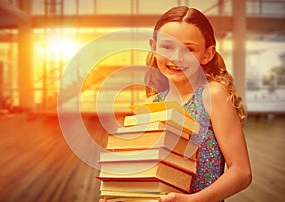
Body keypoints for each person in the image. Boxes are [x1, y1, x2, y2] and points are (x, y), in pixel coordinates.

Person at [100, 6, 252, 202]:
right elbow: (145, 172)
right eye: (167, 47)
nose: (176, 58)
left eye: (189, 49)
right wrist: (121, 195)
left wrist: (192, 200)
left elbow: (242, 173)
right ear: (153, 47)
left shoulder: (212, 95)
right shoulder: (152, 103)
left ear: (207, 54)